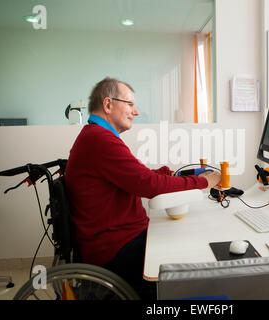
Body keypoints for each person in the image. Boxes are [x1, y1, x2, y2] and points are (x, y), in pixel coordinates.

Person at [65, 77, 221, 299]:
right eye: (129, 104)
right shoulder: (100, 140)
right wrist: (204, 182)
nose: (135, 112)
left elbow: (137, 176)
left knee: (184, 243)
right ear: (108, 104)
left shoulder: (98, 136)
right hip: (116, 250)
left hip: (121, 238)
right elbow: (148, 185)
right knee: (191, 261)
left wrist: (170, 175)